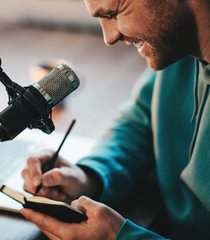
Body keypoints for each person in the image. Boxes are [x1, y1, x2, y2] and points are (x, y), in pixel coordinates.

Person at [20, 0, 210, 239]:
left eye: (114, 12)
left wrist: (119, 237)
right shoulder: (181, 49)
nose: (109, 37)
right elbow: (141, 123)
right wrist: (92, 176)